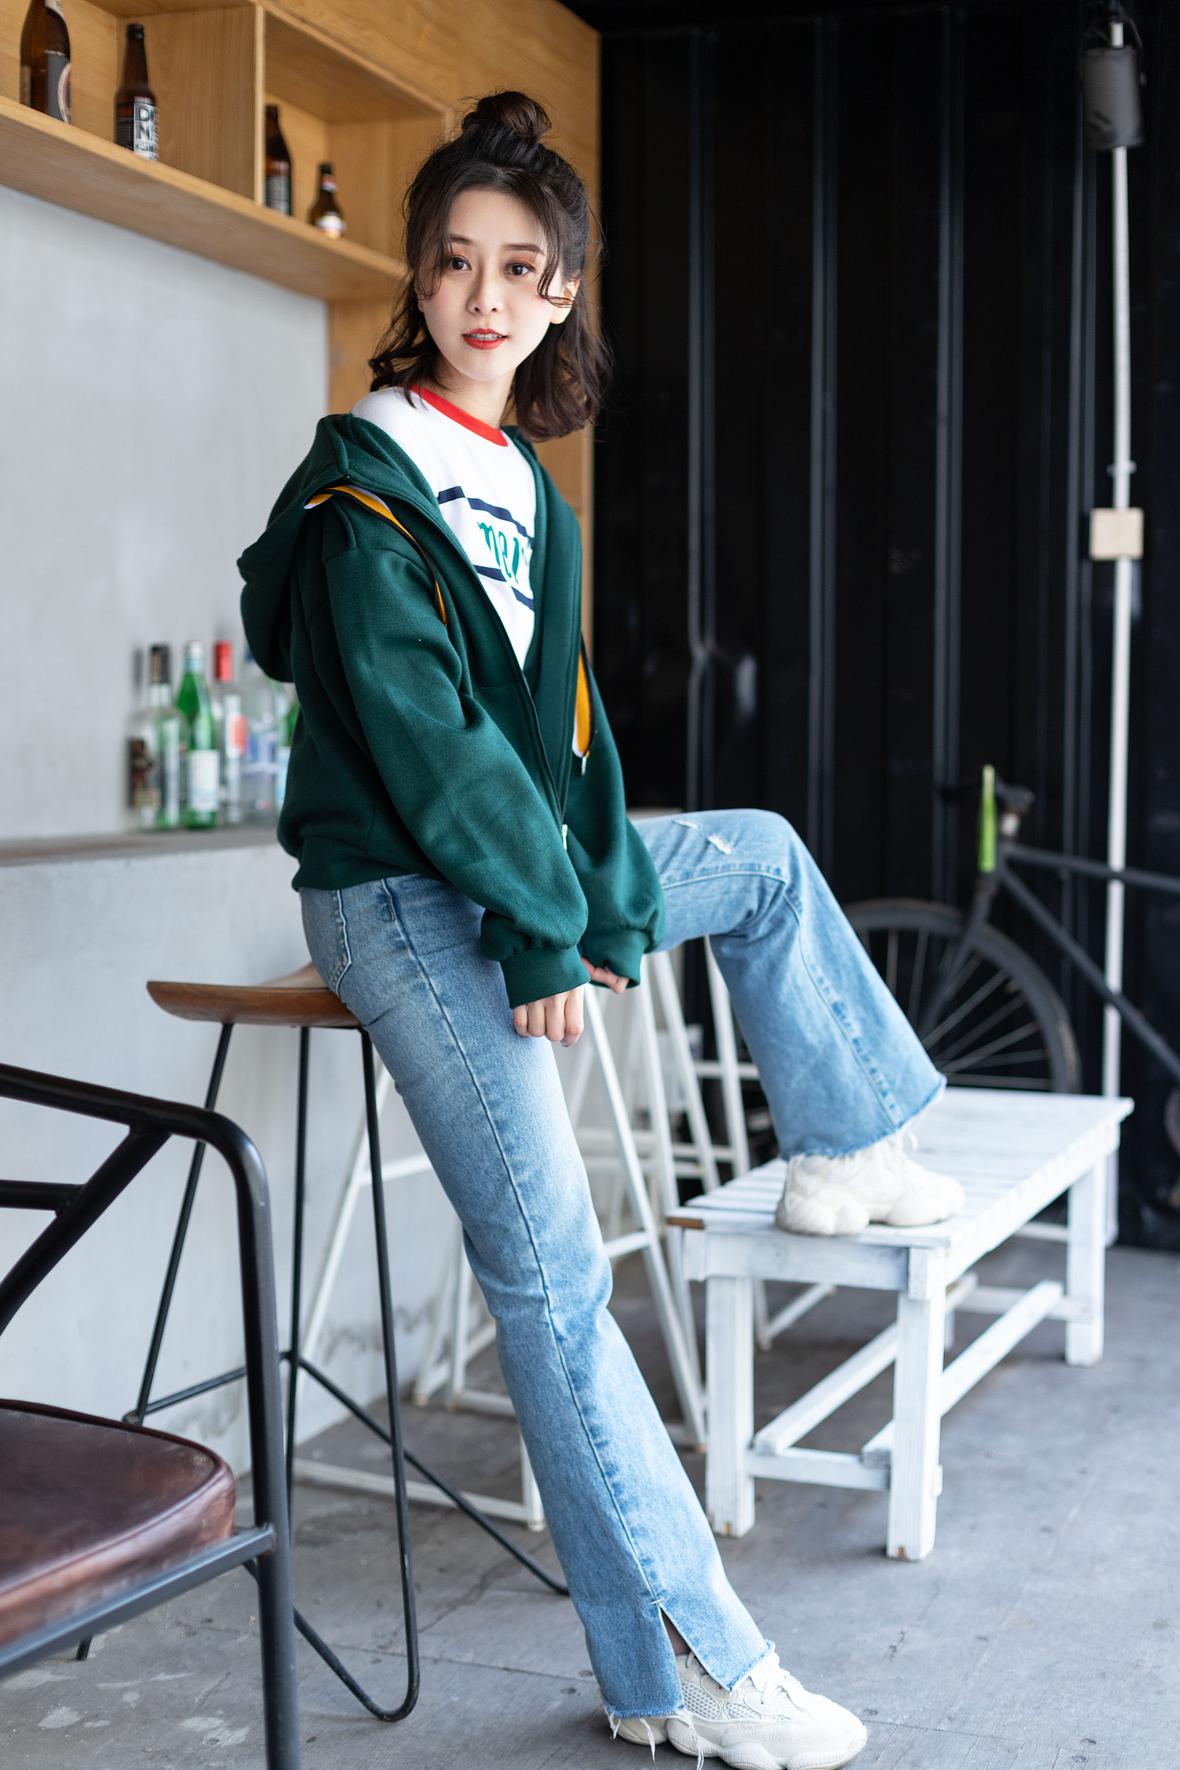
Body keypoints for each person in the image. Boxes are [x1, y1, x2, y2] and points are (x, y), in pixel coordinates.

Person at [238, 88, 960, 1770]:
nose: (483, 296)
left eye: (520, 268)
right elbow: (431, 747)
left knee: (759, 857)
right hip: (395, 892)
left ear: (563, 290)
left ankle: (844, 1141)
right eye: (454, 263)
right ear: (419, 281)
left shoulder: (529, 492)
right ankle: (697, 1661)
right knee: (558, 1279)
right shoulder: (364, 483)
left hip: (513, 866)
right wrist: (547, 931)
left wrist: (607, 895)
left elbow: (564, 742)